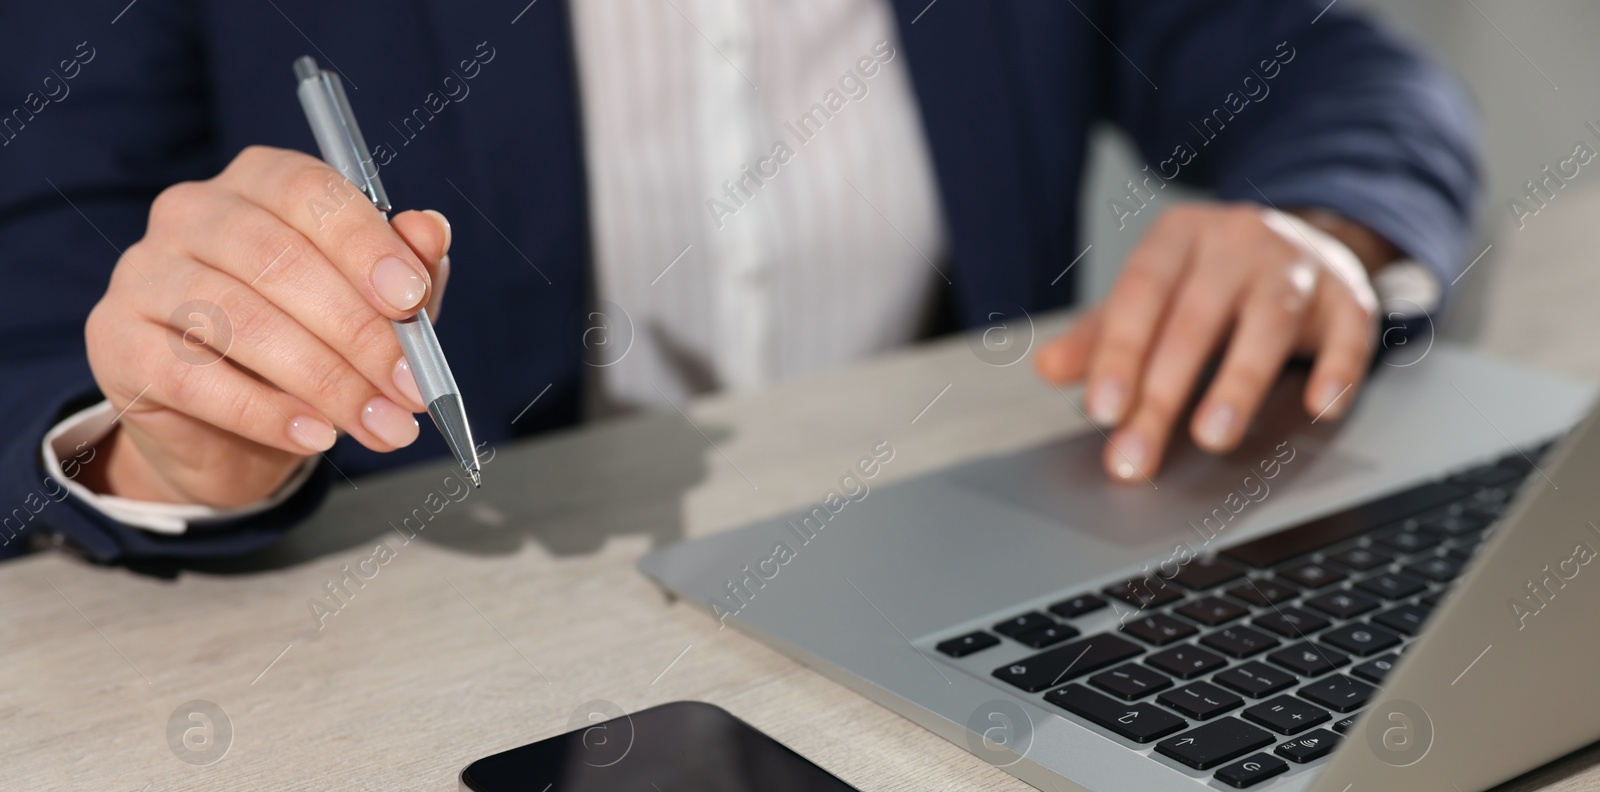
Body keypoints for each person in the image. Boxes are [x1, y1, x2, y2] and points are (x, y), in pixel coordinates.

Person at [0, 1, 1476, 563]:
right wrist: (170, 443)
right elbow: (32, 331)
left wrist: (1318, 231)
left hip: (950, 576)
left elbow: (1335, 73)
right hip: (461, 656)